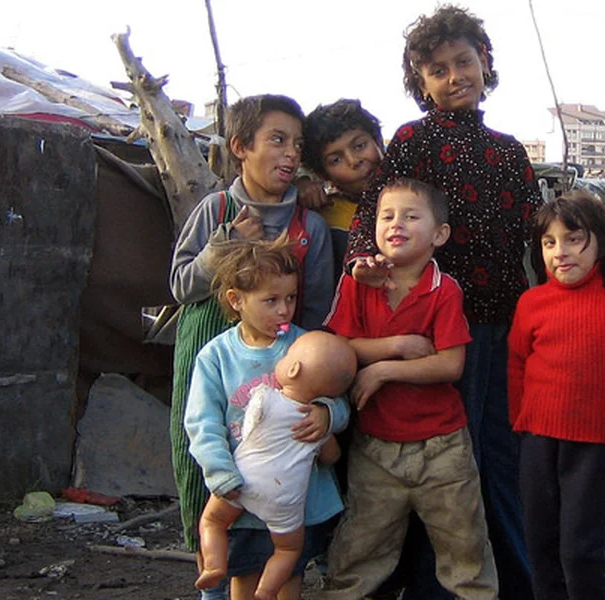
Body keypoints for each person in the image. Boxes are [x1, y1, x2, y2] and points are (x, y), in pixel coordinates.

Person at [344, 7, 541, 596]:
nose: (455, 76)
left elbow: (538, 235)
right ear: (420, 81)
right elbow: (375, 212)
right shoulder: (412, 141)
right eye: (438, 69)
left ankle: (512, 582)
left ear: (484, 62)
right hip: (436, 327)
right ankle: (429, 586)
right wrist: (364, 260)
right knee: (439, 463)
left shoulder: (510, 152)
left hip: (501, 325)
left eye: (463, 61)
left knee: (497, 456)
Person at [169, 93, 334, 600]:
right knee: (205, 474)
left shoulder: (310, 225)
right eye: (277, 140)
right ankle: (212, 587)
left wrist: (318, 396)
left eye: (297, 144)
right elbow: (179, 284)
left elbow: (319, 315)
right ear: (241, 147)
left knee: (277, 491)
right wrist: (223, 244)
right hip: (212, 360)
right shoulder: (216, 210)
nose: (290, 153)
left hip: (281, 372)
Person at [323, 178, 498, 599]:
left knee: (466, 552)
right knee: (358, 553)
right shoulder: (357, 282)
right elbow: (338, 349)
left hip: (442, 448)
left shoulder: (444, 290)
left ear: (439, 234)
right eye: (387, 216)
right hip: (375, 448)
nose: (396, 224)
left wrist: (382, 372)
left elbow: (450, 364)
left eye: (411, 216)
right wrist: (398, 347)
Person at [507, 191, 605, 600]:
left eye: (574, 239)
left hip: (596, 445)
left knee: (580, 552)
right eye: (549, 242)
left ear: (601, 241)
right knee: (541, 547)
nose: (560, 251)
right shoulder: (531, 302)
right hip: (538, 443)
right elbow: (517, 365)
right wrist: (521, 425)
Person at [185, 239, 350, 600]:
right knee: (244, 573)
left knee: (289, 573)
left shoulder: (306, 346)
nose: (284, 310)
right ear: (236, 300)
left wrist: (326, 414)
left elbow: (340, 395)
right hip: (240, 485)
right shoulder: (217, 356)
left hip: (298, 494)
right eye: (271, 300)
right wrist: (219, 472)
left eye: (291, 298)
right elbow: (202, 423)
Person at [195, 330, 357, 598]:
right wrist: (324, 427)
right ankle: (267, 590)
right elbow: (332, 457)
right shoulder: (316, 424)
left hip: (244, 481)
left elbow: (248, 429)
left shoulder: (265, 397)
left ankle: (214, 565)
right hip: (287, 501)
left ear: (293, 369)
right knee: (288, 550)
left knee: (213, 521)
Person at [302, 99, 384, 282]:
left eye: (360, 146)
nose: (354, 161)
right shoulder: (325, 219)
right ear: (323, 175)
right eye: (335, 160)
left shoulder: (417, 195)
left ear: (378, 141)